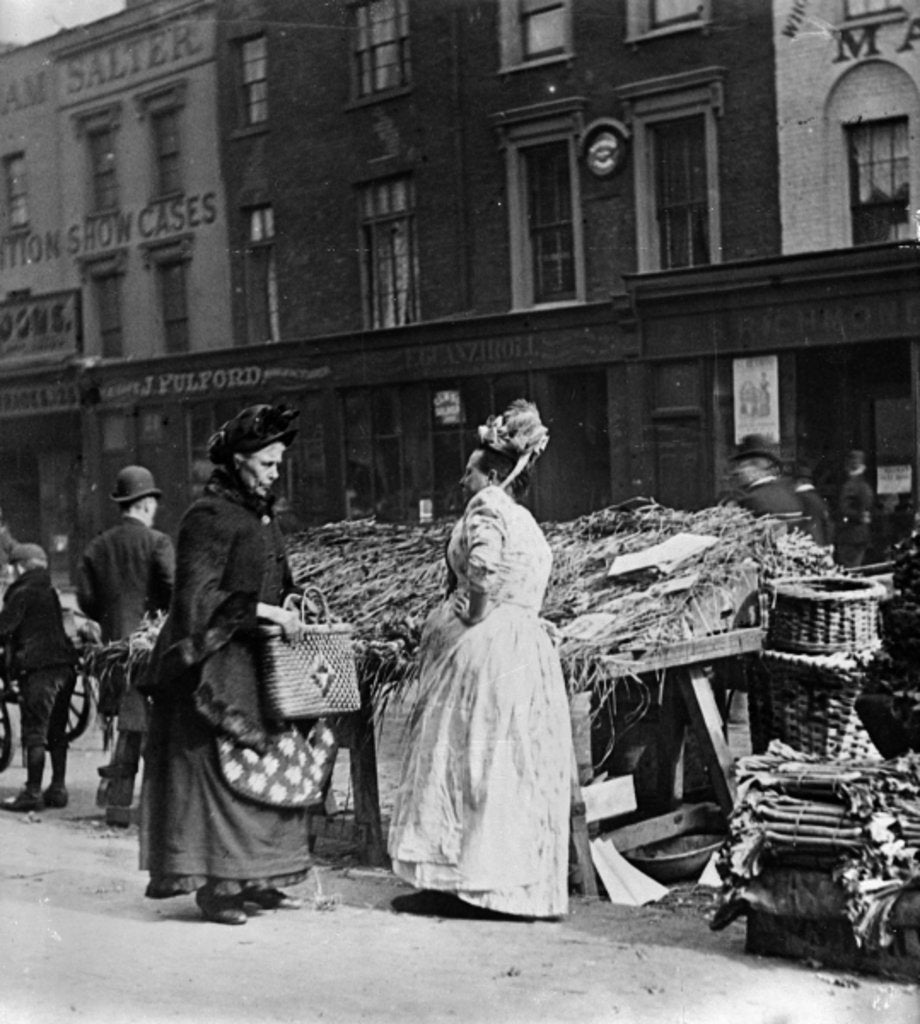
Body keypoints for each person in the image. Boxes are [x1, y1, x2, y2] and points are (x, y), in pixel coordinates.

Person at [388, 399, 571, 920]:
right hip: (524, 649)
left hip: (485, 651)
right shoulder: (528, 522)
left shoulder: (488, 506)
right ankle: (502, 886)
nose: (464, 481)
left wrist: (465, 617)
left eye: (471, 472)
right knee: (505, 766)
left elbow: (484, 573)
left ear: (493, 474)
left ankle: (462, 883)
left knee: (459, 760)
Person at [140, 403, 314, 926]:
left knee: (263, 774)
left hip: (256, 663)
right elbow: (195, 598)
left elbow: (279, 582)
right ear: (238, 461)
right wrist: (265, 612)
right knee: (216, 782)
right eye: (266, 463)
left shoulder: (263, 518)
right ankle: (217, 889)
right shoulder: (207, 516)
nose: (274, 472)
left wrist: (296, 603)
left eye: (279, 463)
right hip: (207, 669)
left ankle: (258, 878)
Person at [77, 465, 175, 816]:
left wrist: (108, 615)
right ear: (147, 504)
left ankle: (118, 798)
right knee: (153, 727)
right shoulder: (158, 543)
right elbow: (174, 592)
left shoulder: (97, 547)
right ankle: (154, 804)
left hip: (113, 656)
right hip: (150, 654)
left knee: (127, 724)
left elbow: (86, 599)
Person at [0, 544, 78, 811]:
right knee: (57, 730)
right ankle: (57, 788)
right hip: (65, 669)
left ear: (19, 567)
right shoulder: (50, 591)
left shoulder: (21, 593)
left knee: (34, 732)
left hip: (39, 671)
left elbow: (4, 629)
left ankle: (32, 793)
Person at [728, 434, 804, 526]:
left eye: (742, 466)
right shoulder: (791, 494)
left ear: (756, 467)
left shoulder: (751, 500)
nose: (738, 471)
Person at [835, 449, 874, 568]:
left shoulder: (850, 486)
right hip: (862, 533)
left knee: (850, 568)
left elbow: (844, 509)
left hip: (850, 534)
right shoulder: (865, 485)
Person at [794, 461, 832, 549]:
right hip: (820, 542)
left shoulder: (798, 498)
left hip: (804, 546)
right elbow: (828, 523)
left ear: (798, 481)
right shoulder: (819, 498)